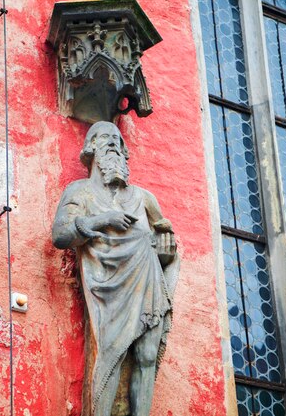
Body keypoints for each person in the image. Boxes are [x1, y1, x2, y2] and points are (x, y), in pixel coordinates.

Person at [52, 121, 179, 416]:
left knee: (147, 354)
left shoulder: (143, 198)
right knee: (110, 354)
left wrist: (167, 247)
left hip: (146, 278)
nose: (113, 145)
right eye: (105, 139)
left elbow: (166, 237)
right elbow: (60, 235)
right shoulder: (80, 192)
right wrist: (103, 219)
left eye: (117, 141)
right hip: (106, 284)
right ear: (91, 149)